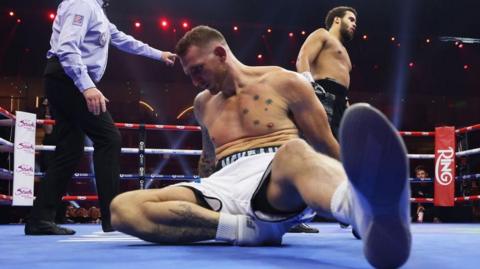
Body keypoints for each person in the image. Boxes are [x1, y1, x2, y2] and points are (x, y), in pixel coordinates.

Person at [110, 26, 411, 268]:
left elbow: (324, 143)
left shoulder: (285, 82)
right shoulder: (202, 104)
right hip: (223, 185)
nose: (195, 81)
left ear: (220, 53)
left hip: (276, 176)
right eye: (190, 75)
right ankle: (243, 230)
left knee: (294, 150)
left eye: (198, 70)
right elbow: (208, 159)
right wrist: (195, 190)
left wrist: (354, 183)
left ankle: (363, 211)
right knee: (122, 208)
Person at [25, 0, 177, 235]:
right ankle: (113, 216)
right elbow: (66, 47)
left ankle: (40, 218)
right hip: (70, 78)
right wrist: (86, 87)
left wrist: (159, 54)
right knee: (109, 138)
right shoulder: (82, 3)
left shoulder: (96, 9)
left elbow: (122, 39)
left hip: (65, 79)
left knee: (70, 149)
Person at [296, 6, 357, 139]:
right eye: (351, 19)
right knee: (317, 142)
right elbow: (303, 58)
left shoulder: (345, 52)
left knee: (338, 148)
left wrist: (347, 108)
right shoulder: (323, 34)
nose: (354, 24)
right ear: (337, 20)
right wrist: (309, 87)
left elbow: (343, 86)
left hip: (340, 103)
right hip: (322, 94)